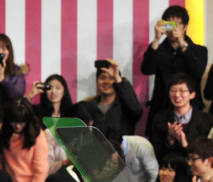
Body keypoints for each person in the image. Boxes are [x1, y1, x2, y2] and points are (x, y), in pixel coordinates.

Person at [142, 5, 208, 137]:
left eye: (176, 24)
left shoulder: (199, 51)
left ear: (185, 27)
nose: (172, 29)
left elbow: (197, 72)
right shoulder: (158, 49)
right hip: (161, 108)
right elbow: (146, 69)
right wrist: (156, 40)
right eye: (168, 25)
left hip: (191, 110)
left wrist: (182, 44)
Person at [0, 97, 49, 182]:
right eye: (13, 121)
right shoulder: (4, 130)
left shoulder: (37, 134)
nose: (18, 126)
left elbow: (41, 169)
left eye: (22, 122)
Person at [151, 73, 213, 161]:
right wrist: (170, 140)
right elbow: (155, 152)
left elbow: (207, 154)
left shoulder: (207, 121)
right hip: (168, 170)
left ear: (192, 95)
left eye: (182, 91)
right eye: (173, 90)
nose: (177, 95)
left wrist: (186, 145)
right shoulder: (160, 119)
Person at [75, 58, 142, 138]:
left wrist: (118, 79)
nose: (106, 82)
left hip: (120, 150)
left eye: (111, 78)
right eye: (103, 78)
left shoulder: (126, 106)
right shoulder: (88, 107)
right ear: (97, 82)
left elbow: (136, 111)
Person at [25, 74, 74, 174]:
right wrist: (30, 95)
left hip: (67, 165)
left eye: (58, 88)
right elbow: (18, 113)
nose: (53, 92)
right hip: (41, 161)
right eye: (49, 88)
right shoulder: (37, 111)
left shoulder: (72, 113)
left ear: (64, 91)